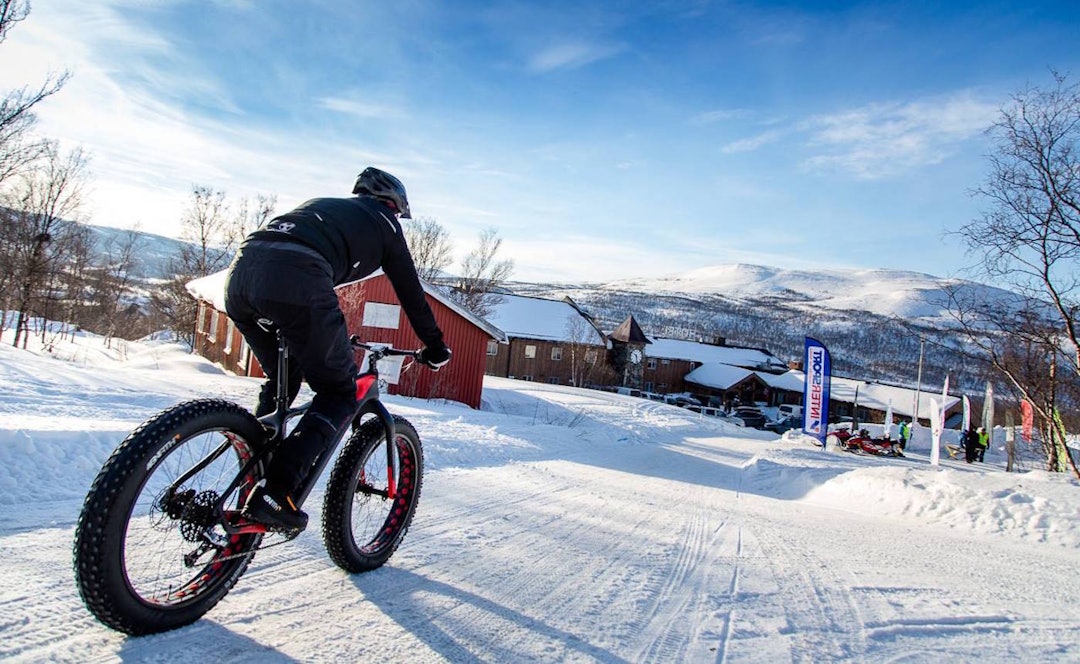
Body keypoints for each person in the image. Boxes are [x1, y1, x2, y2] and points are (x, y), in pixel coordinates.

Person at [224, 167, 451, 532]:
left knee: (285, 377)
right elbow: (412, 295)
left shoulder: (323, 205)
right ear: (394, 206)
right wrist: (436, 347)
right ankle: (274, 493)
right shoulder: (386, 225)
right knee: (338, 392)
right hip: (297, 279)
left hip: (240, 277)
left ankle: (255, 463)